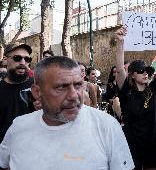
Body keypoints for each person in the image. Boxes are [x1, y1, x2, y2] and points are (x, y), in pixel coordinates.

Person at [0, 56, 134, 170]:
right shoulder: (18, 127)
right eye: (61, 87)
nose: (74, 96)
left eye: (77, 85)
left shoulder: (106, 125)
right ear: (37, 92)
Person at [115, 25, 156, 170]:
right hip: (132, 148)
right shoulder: (126, 92)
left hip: (153, 149)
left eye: (147, 71)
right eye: (141, 71)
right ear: (132, 75)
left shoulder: (154, 89)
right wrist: (120, 42)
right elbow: (120, 70)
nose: (145, 73)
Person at [0, 42, 34, 142]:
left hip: (33, 146)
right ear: (5, 60)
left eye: (27, 59)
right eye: (17, 58)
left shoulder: (37, 86)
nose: (23, 62)